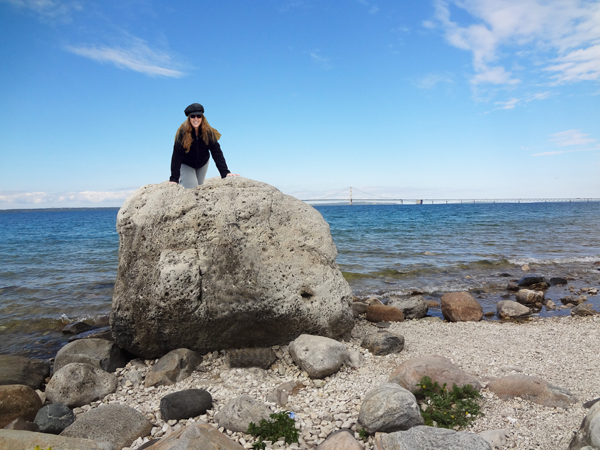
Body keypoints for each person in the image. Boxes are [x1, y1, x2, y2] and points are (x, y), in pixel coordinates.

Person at [169, 103, 238, 188]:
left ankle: (185, 180)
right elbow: (176, 156)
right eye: (193, 116)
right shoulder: (182, 133)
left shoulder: (209, 132)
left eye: (198, 116)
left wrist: (225, 172)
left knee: (199, 187)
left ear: (202, 118)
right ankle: (182, 180)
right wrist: (174, 178)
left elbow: (217, 153)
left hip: (203, 163)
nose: (196, 119)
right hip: (186, 164)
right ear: (189, 118)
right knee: (192, 186)